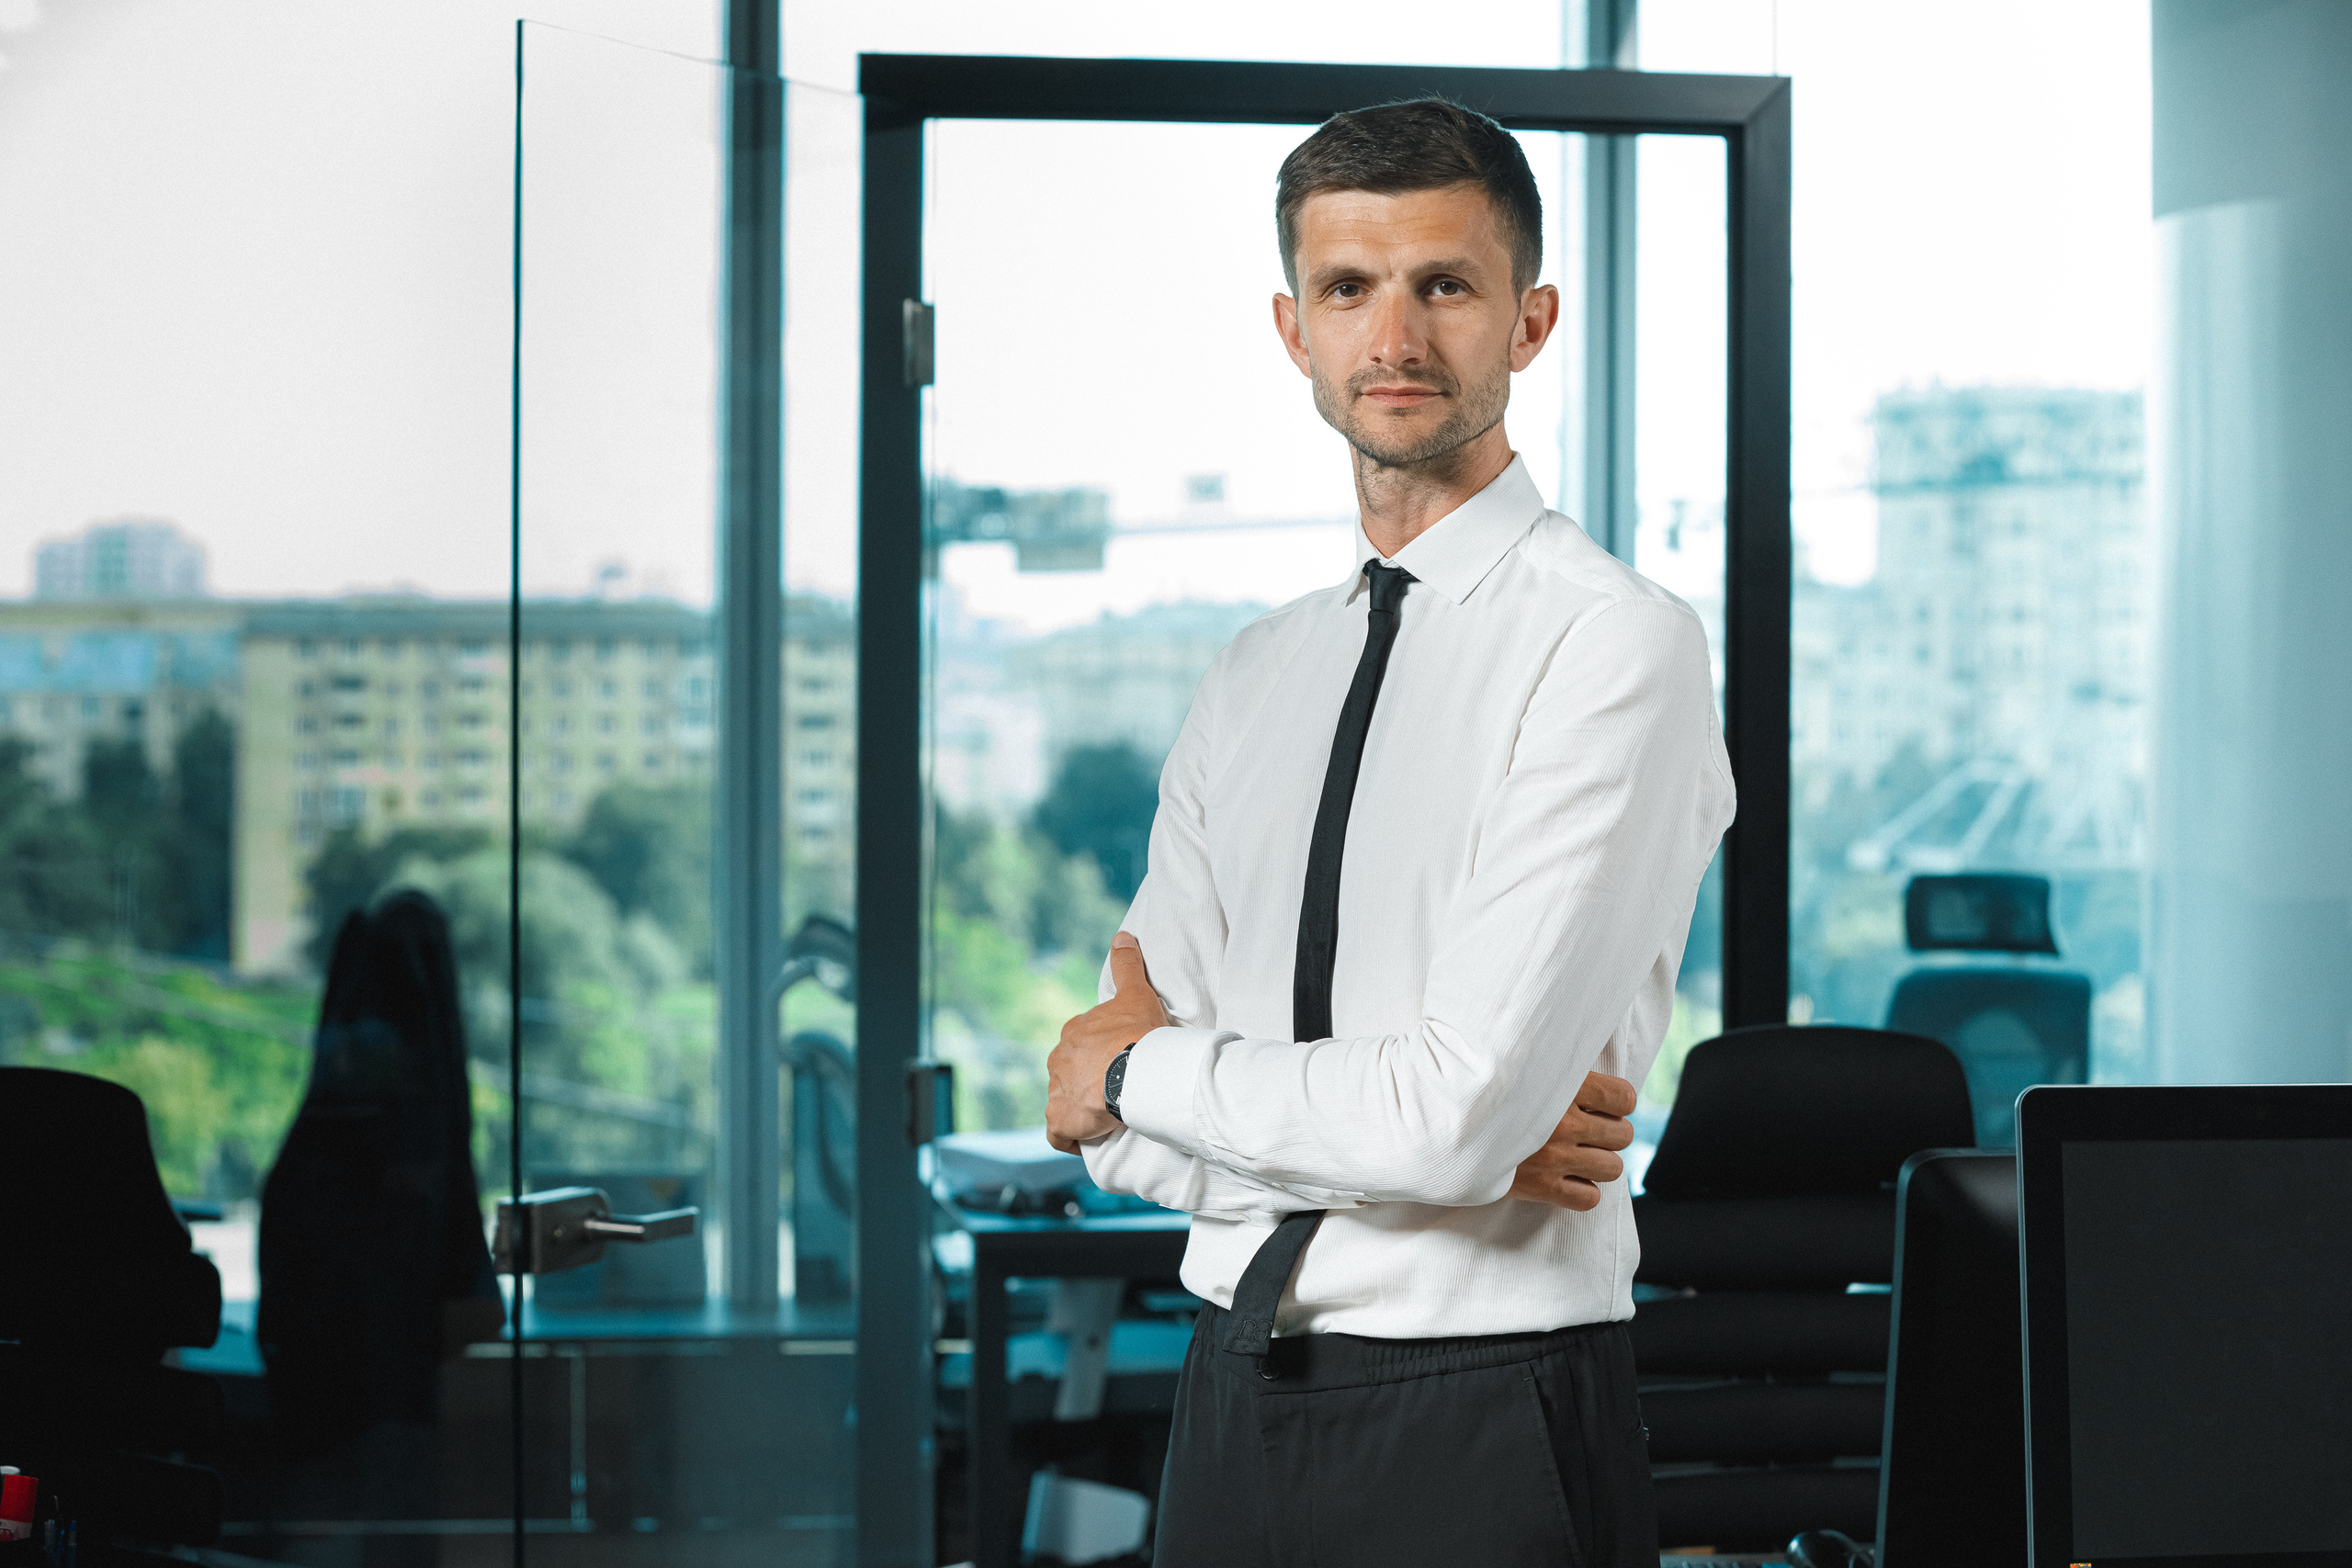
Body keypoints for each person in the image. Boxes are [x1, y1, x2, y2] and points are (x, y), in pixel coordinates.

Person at [1043, 97, 1736, 1565]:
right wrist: (1444, 1143)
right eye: (1350, 289)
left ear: (1529, 321)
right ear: (1295, 330)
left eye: (1446, 285)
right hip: (1230, 1393)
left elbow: (1422, 1111)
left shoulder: (1615, 648)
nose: (1396, 336)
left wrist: (1149, 1065)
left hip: (1485, 1415)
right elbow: (1115, 1148)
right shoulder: (1253, 675)